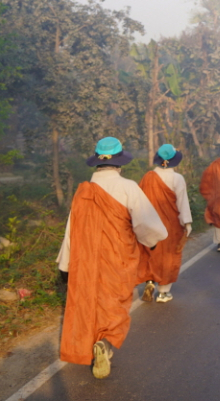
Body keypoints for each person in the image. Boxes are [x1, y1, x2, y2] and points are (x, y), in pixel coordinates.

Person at [57, 137, 167, 379]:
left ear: (97, 162)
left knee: (91, 301)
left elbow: (71, 230)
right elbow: (145, 222)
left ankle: (93, 339)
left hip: (85, 259)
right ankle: (104, 343)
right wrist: (153, 241)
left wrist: (65, 264)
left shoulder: (83, 191)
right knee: (115, 301)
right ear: (120, 163)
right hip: (118, 256)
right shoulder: (128, 187)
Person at [138, 144, 193, 304]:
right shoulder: (177, 178)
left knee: (151, 252)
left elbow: (139, 200)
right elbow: (182, 203)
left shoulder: (148, 176)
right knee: (169, 256)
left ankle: (150, 280)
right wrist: (187, 223)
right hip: (170, 225)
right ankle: (163, 292)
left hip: (149, 223)